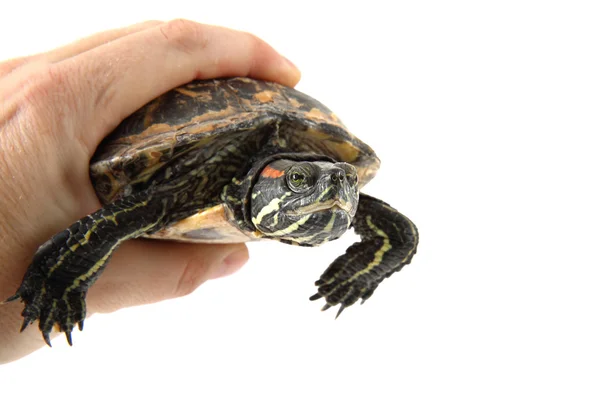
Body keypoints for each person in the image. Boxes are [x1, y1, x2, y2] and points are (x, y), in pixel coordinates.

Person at [0, 19, 301, 363]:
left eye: (346, 180)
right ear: (274, 177)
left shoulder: (326, 185)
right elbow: (113, 222)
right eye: (299, 181)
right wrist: (61, 278)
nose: (339, 187)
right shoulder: (180, 190)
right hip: (174, 168)